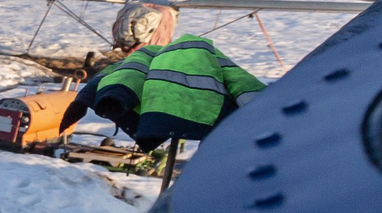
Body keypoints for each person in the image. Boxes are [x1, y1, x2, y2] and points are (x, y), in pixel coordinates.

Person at [61, 14, 266, 176]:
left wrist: (104, 99)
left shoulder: (141, 60)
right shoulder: (210, 60)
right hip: (217, 131)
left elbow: (121, 80)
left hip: (162, 116)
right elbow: (248, 91)